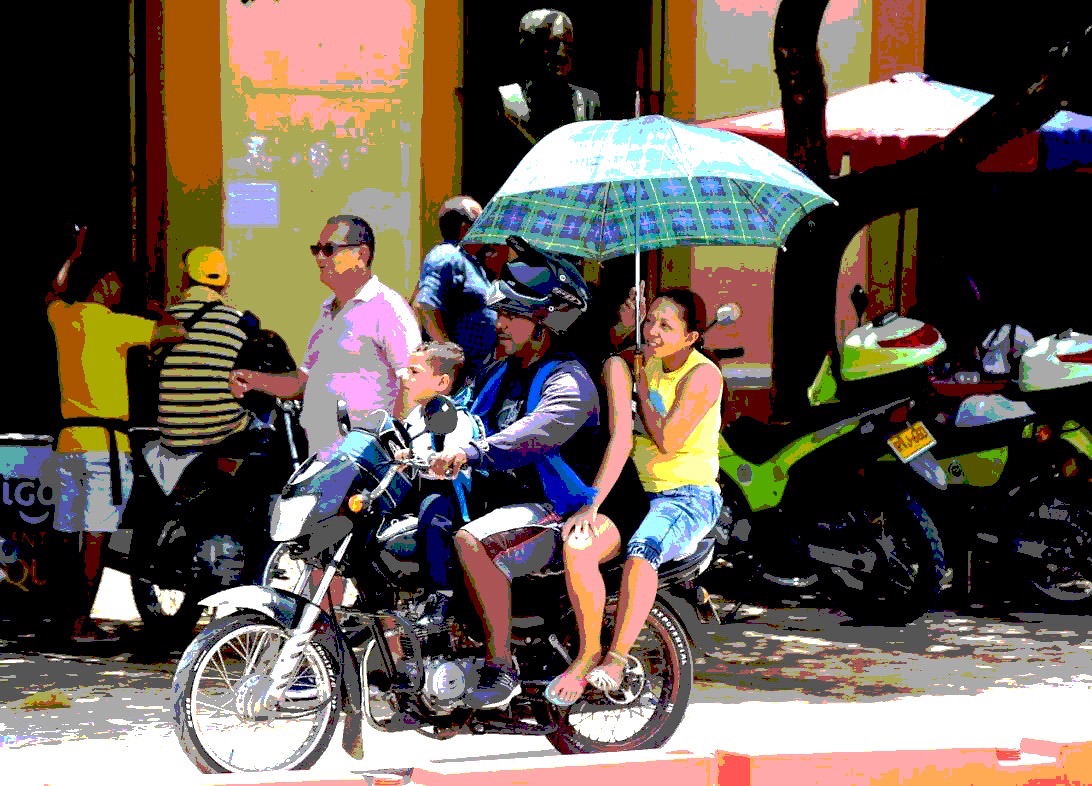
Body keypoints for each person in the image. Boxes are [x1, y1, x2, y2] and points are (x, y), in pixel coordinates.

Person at [426, 236, 608, 710]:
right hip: (498, 501)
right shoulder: (499, 371)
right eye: (500, 312)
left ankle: (500, 666)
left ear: (543, 321)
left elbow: (538, 431)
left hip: (553, 510)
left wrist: (472, 452)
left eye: (511, 315)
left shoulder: (568, 378)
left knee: (474, 541)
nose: (499, 323)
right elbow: (462, 412)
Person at [553, 289, 723, 702]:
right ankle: (588, 650)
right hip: (638, 496)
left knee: (642, 550)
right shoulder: (634, 360)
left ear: (692, 337)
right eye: (650, 322)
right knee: (578, 546)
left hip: (686, 497)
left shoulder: (702, 375)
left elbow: (667, 438)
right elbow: (621, 439)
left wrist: (643, 386)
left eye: (666, 326)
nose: (653, 332)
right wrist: (592, 503)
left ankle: (616, 658)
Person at [44, 225, 186, 643]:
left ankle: (63, 617)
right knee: (96, 538)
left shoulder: (64, 319)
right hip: (105, 446)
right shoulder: (118, 324)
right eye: (116, 285)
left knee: (67, 535)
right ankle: (80, 623)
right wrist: (155, 308)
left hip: (68, 442)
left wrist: (74, 251)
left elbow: (52, 292)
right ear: (107, 288)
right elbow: (176, 332)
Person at [229, 214, 421, 455]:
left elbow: (411, 383)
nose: (319, 258)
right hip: (322, 457)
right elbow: (302, 382)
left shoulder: (388, 308)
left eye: (329, 249)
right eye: (315, 249)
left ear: (361, 255)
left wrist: (395, 449)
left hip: (366, 462)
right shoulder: (327, 311)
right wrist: (253, 379)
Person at [463, 9, 601, 204]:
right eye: (552, 45)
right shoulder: (508, 101)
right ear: (528, 48)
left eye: (568, 47)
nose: (561, 55)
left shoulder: (587, 103)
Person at [393, 342, 479, 628]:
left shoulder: (456, 416)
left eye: (414, 372)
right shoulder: (416, 415)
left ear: (442, 382)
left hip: (447, 494)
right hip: (416, 489)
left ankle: (440, 595)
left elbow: (451, 458)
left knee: (434, 518)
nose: (405, 377)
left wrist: (429, 457)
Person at [156, 246, 254, 451]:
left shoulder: (162, 321)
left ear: (185, 280)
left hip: (171, 435)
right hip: (222, 435)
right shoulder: (238, 322)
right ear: (225, 282)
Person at [412, 196, 500, 382]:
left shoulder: (469, 261)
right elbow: (425, 306)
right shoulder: (446, 256)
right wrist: (450, 355)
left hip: (479, 371)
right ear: (465, 227)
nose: (488, 227)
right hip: (461, 375)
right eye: (482, 221)